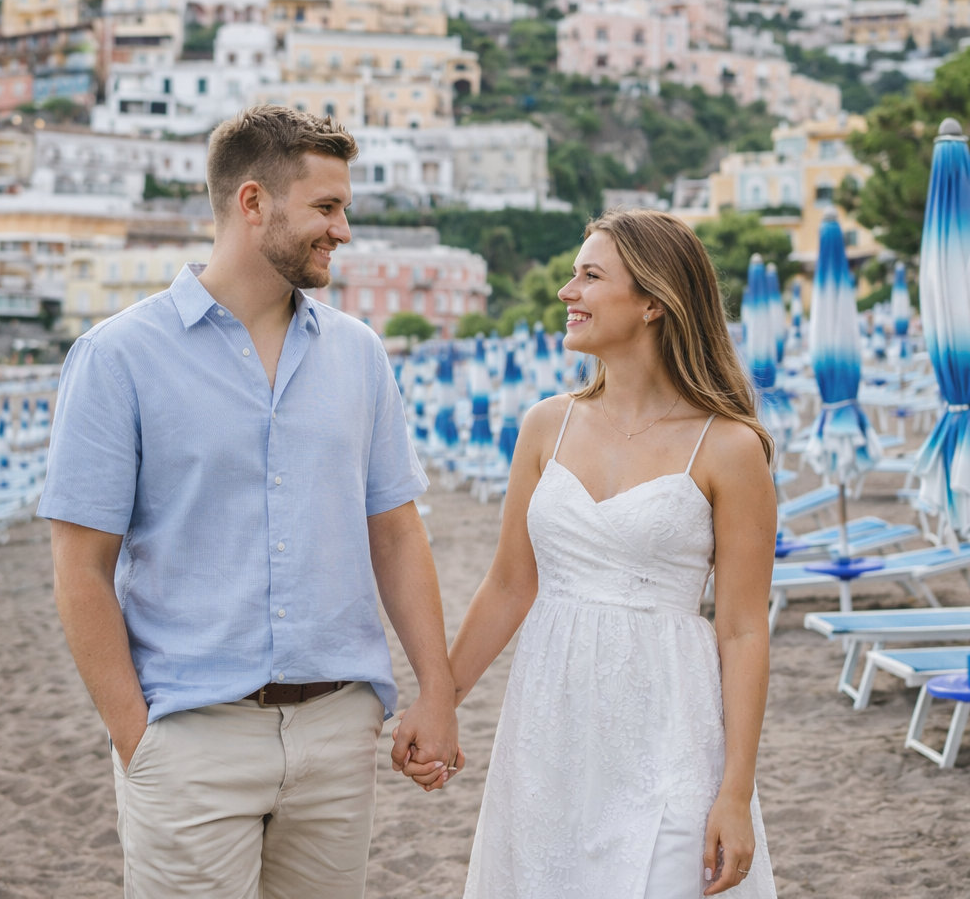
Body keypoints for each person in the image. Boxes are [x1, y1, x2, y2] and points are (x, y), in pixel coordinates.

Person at [40, 105, 461, 899]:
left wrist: (436, 694)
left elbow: (398, 537)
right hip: (190, 737)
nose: (343, 229)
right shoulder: (117, 357)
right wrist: (140, 739)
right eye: (327, 207)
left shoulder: (360, 356)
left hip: (338, 734)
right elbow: (80, 568)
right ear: (253, 202)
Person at [438, 209, 777, 897]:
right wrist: (438, 703)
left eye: (589, 276)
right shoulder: (545, 426)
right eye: (573, 275)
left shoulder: (730, 447)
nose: (568, 292)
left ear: (654, 301)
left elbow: (743, 630)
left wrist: (736, 793)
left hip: (673, 727)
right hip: (549, 729)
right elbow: (508, 586)